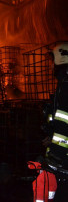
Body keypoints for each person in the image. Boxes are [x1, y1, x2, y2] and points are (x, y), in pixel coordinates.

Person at [40, 42, 68, 202]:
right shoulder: (62, 85)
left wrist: (55, 155)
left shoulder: (65, 88)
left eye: (51, 61)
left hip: (63, 160)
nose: (49, 65)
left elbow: (64, 125)